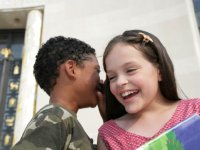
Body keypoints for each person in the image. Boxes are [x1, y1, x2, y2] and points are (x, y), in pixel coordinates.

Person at [97, 29, 200, 150]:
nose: (120, 82)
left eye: (130, 70)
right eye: (112, 77)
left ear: (159, 71)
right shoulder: (109, 135)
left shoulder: (195, 110)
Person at [12, 36, 104, 150]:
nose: (100, 80)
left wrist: (109, 121)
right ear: (72, 69)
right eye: (97, 71)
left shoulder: (64, 120)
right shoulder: (55, 117)